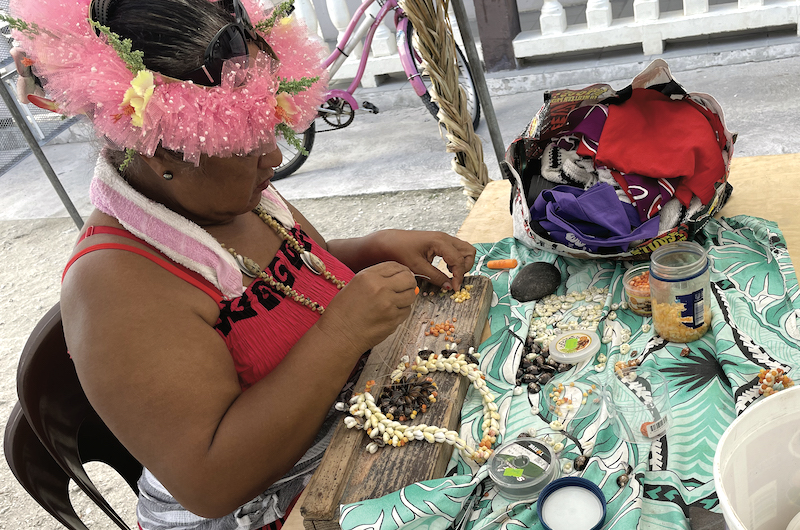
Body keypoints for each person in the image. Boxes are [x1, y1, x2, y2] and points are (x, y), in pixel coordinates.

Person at [7, 0, 476, 528]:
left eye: (271, 126)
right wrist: (340, 336)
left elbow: (290, 273)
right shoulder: (113, 289)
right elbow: (212, 482)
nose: (274, 158)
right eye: (247, 140)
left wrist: (373, 247)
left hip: (349, 433)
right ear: (161, 151)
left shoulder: (232, 196)